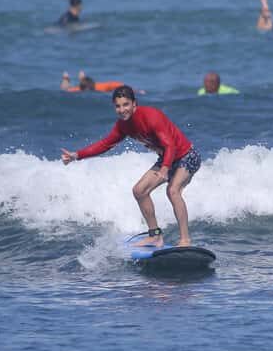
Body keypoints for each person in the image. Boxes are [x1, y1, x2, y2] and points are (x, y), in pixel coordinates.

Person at [61, 86, 201, 247]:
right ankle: (155, 235)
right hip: (167, 159)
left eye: (125, 104)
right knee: (139, 191)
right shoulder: (123, 126)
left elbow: (170, 145)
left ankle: (185, 240)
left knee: (173, 191)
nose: (122, 110)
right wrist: (77, 155)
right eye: (118, 106)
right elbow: (105, 144)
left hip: (187, 155)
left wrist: (165, 168)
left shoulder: (151, 116)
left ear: (134, 104)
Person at [60, 70, 125, 93]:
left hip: (90, 85)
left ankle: (81, 77)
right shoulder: (78, 89)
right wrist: (65, 79)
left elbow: (118, 85)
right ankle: (66, 78)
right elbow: (66, 90)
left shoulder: (99, 86)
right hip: (86, 85)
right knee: (66, 86)